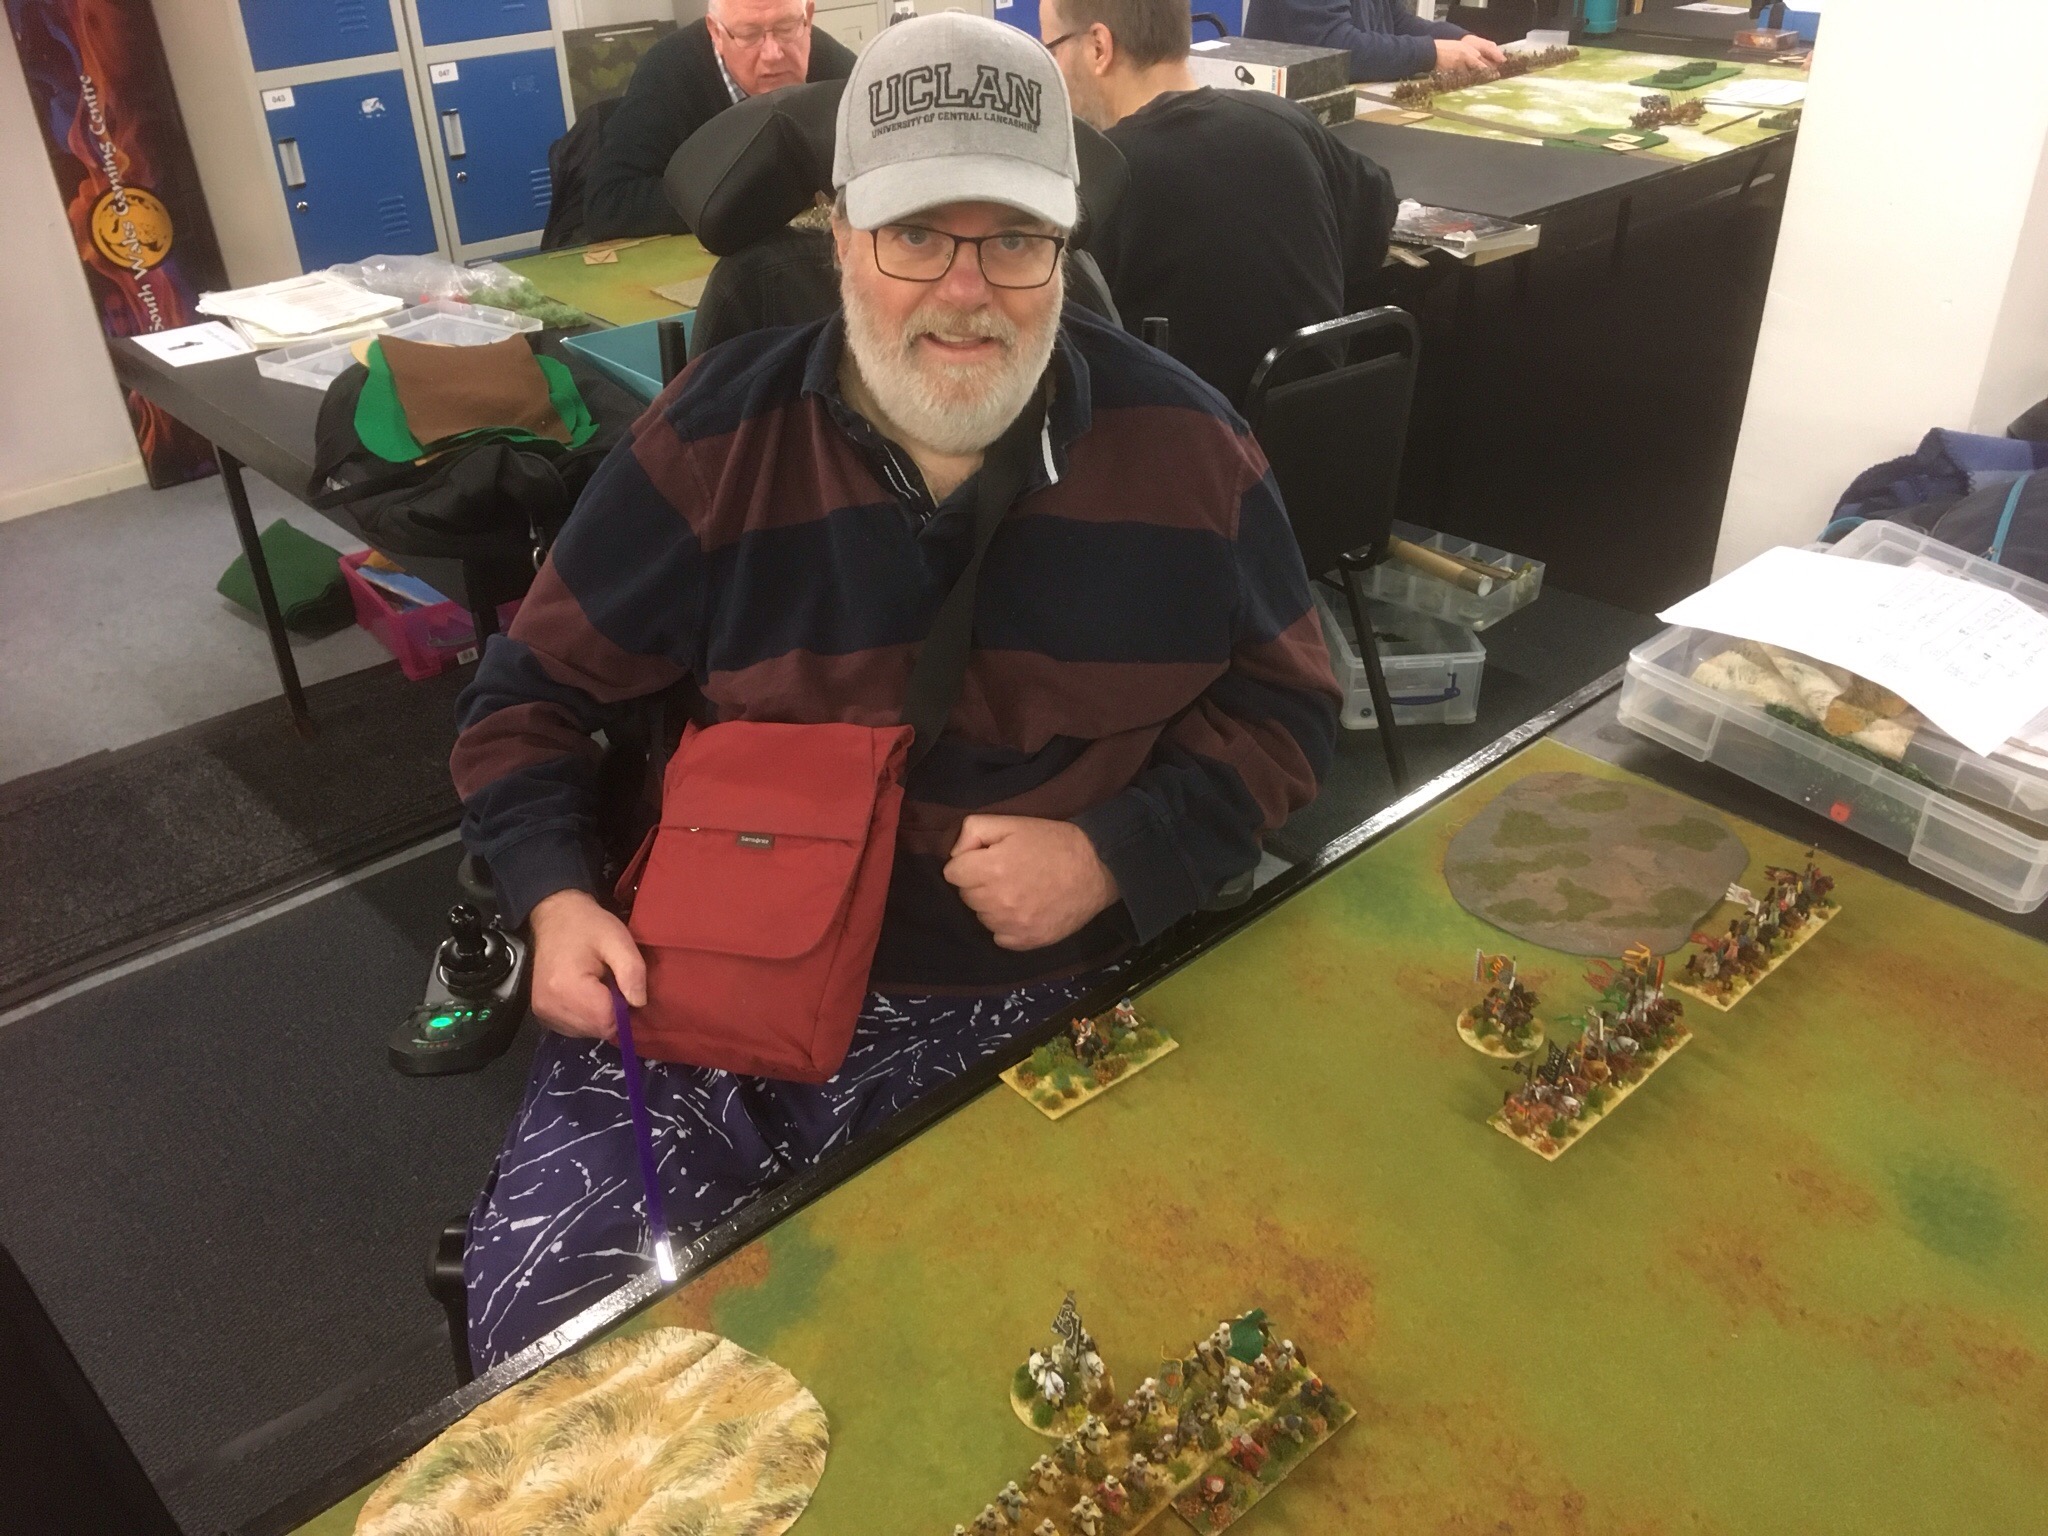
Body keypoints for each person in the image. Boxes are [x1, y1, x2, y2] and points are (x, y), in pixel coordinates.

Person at [450, 11, 1340, 1368]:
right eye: (916, 232)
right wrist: (554, 896)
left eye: (1015, 239)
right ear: (840, 231)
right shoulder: (714, 439)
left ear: (1065, 248)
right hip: (710, 988)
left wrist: (1117, 851)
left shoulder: (1191, 453)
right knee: (569, 1362)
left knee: (1017, 1380)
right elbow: (528, 696)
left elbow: (1290, 707)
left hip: (1030, 997)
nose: (966, 291)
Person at [1043, 0, 1396, 407]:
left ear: (1098, 47)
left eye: (1051, 49)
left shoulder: (1101, 185)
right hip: (1320, 430)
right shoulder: (1285, 122)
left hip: (1186, 438)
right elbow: (1376, 224)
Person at [583, 0, 856, 240]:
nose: (773, 53)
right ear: (716, 33)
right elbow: (607, 203)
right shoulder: (668, 73)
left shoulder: (838, 71)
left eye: (786, 28)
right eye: (749, 35)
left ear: (808, 17)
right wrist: (750, 201)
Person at [1244, 0, 1505, 83]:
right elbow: (1335, 47)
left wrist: (1460, 38)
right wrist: (1431, 53)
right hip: (1288, 128)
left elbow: (1396, 21)